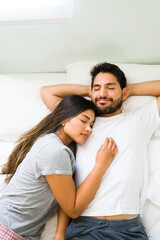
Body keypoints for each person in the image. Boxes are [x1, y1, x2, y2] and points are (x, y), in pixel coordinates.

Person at [41, 62, 160, 240]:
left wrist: (127, 89)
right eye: (97, 88)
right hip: (84, 228)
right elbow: (47, 92)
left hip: (127, 230)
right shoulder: (80, 123)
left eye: (110, 88)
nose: (102, 93)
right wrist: (89, 90)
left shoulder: (140, 119)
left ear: (124, 92)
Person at [0, 94, 118, 240]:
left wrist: (60, 233)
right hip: (7, 228)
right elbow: (73, 209)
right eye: (83, 121)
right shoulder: (54, 151)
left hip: (22, 233)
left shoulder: (63, 148)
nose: (89, 129)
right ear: (64, 119)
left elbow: (67, 196)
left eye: (92, 125)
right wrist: (101, 166)